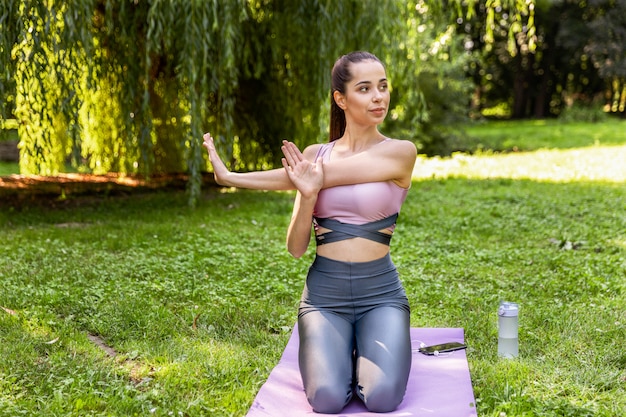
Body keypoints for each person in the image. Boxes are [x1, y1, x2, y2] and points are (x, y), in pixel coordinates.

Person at [203, 51, 417, 414]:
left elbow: (324, 174)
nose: (378, 96)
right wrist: (304, 193)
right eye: (364, 88)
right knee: (327, 399)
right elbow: (296, 248)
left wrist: (241, 178)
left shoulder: (400, 153)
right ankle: (346, 349)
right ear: (341, 99)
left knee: (383, 398)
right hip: (324, 295)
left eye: (382, 86)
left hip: (380, 293)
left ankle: (363, 345)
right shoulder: (315, 155)